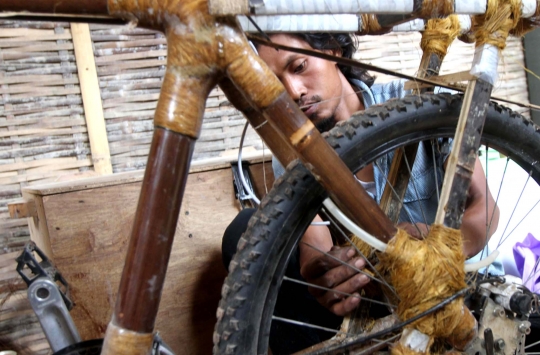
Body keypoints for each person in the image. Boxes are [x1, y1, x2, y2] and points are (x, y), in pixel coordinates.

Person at [222, 32, 502, 353]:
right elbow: (315, 248)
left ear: (333, 50)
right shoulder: (291, 155)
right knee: (247, 232)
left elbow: (485, 213)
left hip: (459, 291)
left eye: (299, 66)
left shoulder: (419, 104)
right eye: (274, 85)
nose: (293, 92)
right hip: (379, 300)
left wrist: (428, 243)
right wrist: (325, 276)